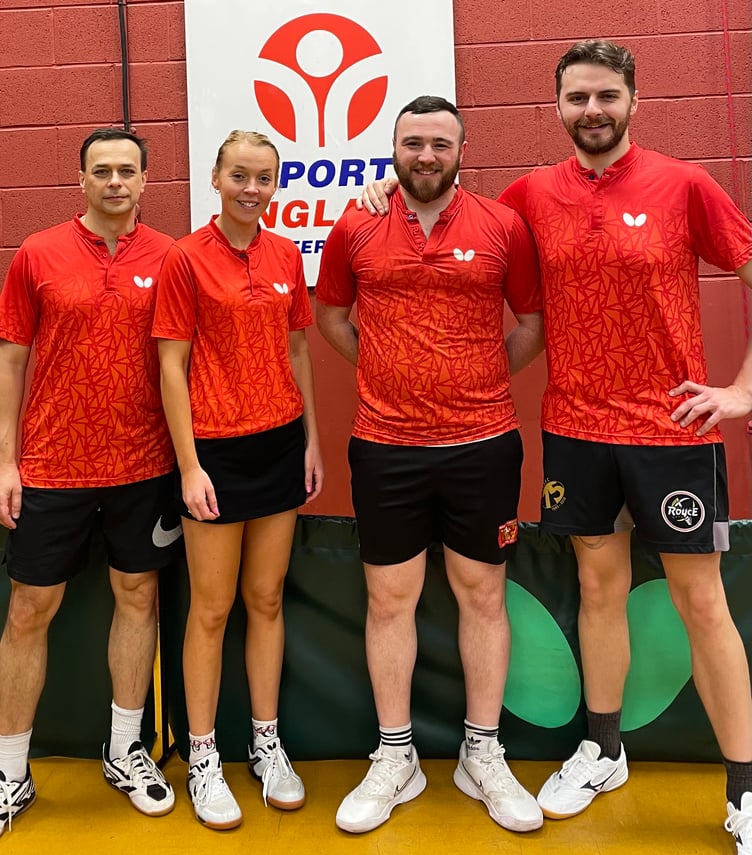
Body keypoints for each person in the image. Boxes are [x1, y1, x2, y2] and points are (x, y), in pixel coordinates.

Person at [361, 38, 752, 855]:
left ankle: (745, 791)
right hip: (573, 427)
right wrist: (381, 193)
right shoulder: (530, 197)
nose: (592, 111)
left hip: (670, 429)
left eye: (607, 95)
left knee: (703, 604)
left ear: (634, 101)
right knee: (599, 589)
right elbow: (448, 217)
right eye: (577, 97)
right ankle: (603, 748)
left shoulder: (684, 185)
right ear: (559, 106)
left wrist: (742, 390)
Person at [316, 95, 545, 835]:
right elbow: (330, 317)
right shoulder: (355, 221)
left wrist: (477, 379)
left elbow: (533, 324)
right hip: (385, 445)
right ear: (393, 148)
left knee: (482, 596)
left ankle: (483, 752)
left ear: (460, 150)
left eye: (439, 143)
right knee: (390, 600)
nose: (425, 155)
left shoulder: (502, 224)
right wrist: (385, 370)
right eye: (412, 142)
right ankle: (396, 757)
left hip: (483, 442)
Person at [0, 128, 179, 836]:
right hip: (52, 465)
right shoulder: (37, 254)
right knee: (27, 612)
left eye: (126, 170)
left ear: (144, 180)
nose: (114, 181)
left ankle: (125, 748)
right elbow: (11, 361)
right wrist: (5, 461)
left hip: (145, 465)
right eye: (100, 170)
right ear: (80, 179)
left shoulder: (170, 257)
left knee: (137, 598)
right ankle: (11, 770)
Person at [153, 130, 323, 831]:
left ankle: (266, 741)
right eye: (239, 176)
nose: (252, 189)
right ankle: (202, 756)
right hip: (215, 453)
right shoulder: (184, 259)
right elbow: (171, 366)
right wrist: (189, 464)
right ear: (216, 178)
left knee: (266, 598)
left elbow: (298, 348)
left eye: (263, 178)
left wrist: (311, 439)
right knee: (213, 607)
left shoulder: (286, 254)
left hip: (280, 444)